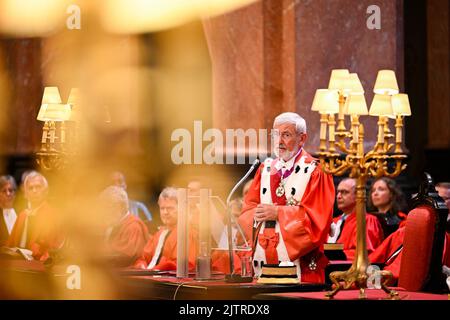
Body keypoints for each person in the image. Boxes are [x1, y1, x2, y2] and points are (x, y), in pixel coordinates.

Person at [238, 112, 335, 283]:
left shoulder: (317, 171)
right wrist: (257, 215)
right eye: (275, 135)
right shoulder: (264, 169)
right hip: (262, 261)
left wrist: (279, 213)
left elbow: (318, 220)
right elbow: (248, 210)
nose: (279, 141)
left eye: (286, 135)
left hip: (302, 268)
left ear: (302, 138)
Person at [134, 187, 197, 271]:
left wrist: (154, 270)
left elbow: (185, 265)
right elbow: (143, 258)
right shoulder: (159, 233)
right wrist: (141, 265)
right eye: (162, 208)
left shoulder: (187, 233)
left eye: (170, 208)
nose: (165, 212)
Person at [5, 171, 63, 261]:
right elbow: (10, 244)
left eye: (38, 187)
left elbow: (53, 247)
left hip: (40, 267)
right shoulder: (22, 215)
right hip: (17, 266)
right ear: (26, 193)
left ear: (46, 191)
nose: (34, 191)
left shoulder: (52, 214)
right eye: (30, 188)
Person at [327, 178, 384, 260]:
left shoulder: (367, 220)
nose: (338, 196)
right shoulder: (334, 221)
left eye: (344, 192)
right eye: (338, 192)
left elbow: (365, 253)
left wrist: (333, 256)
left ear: (358, 195)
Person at [100, 186, 149, 267]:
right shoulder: (114, 225)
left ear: (121, 207)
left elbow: (125, 258)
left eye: (108, 208)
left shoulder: (133, 226)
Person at [0, 175, 18, 246]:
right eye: (4, 191)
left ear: (15, 193)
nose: (8, 194)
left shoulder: (22, 212)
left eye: (10, 190)